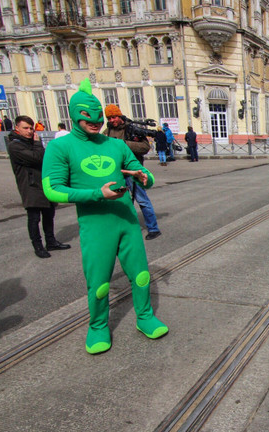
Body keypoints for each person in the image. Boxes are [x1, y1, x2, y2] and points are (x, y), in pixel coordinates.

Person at [42, 79, 168, 354]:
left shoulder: (115, 145)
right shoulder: (60, 147)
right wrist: (96, 194)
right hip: (96, 225)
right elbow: (52, 189)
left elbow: (144, 175)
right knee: (99, 284)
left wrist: (143, 176)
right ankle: (98, 326)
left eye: (99, 117)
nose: (96, 122)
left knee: (141, 275)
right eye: (88, 117)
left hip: (127, 221)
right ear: (74, 114)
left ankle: (145, 317)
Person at [8, 115, 71, 258]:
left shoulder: (30, 143)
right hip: (30, 185)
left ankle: (51, 241)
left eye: (31, 128)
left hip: (43, 183)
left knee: (49, 214)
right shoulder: (15, 145)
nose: (29, 131)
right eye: (25, 128)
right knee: (34, 218)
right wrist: (38, 144)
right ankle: (38, 246)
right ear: (17, 128)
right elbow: (38, 158)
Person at [103, 104, 162, 240]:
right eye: (109, 118)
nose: (112, 120)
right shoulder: (107, 131)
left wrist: (124, 144)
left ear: (119, 116)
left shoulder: (132, 129)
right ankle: (123, 230)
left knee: (142, 200)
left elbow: (145, 147)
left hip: (133, 171)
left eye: (114, 117)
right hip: (116, 172)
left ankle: (153, 228)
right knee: (119, 201)